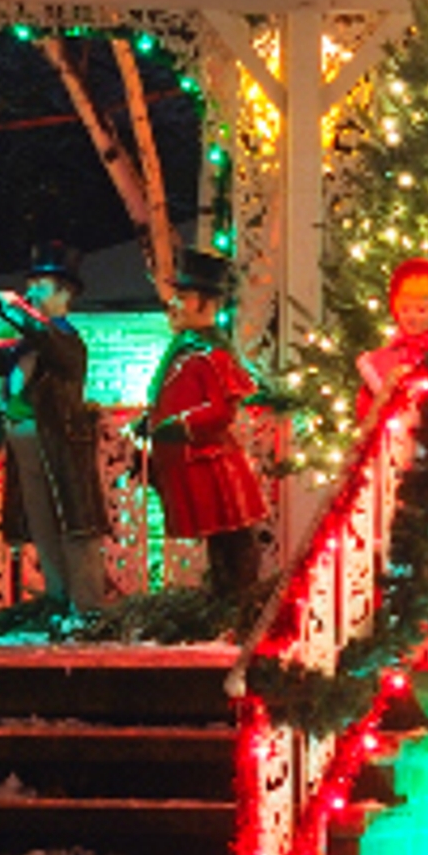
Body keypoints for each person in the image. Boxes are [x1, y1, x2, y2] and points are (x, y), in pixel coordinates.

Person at [0, 249, 110, 605]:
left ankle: (85, 603)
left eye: (42, 286)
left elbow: (48, 341)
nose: (33, 293)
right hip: (24, 440)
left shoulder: (66, 342)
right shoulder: (27, 344)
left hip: (59, 443)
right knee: (41, 525)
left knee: (73, 526)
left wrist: (16, 311)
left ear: (65, 294)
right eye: (31, 285)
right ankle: (57, 597)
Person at [137, 251, 279, 597]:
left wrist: (179, 425)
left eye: (184, 297)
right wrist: (153, 420)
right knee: (218, 541)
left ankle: (241, 601)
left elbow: (220, 411)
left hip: (212, 462)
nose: (176, 305)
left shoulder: (212, 354)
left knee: (233, 538)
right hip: (195, 463)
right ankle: (226, 600)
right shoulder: (186, 348)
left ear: (207, 303)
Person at [355, 256, 428, 422]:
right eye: (405, 310)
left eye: (421, 310)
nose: (412, 317)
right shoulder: (379, 361)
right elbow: (367, 412)